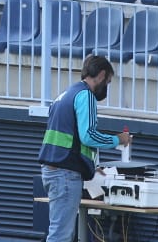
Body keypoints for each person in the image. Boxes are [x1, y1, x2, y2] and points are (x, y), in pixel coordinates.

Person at [38, 55, 132, 242]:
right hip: (64, 175)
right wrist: (117, 139)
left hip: (53, 170)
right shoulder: (86, 96)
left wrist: (87, 164)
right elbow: (88, 135)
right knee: (61, 235)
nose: (106, 87)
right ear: (102, 75)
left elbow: (70, 138)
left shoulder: (65, 94)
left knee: (58, 232)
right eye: (108, 82)